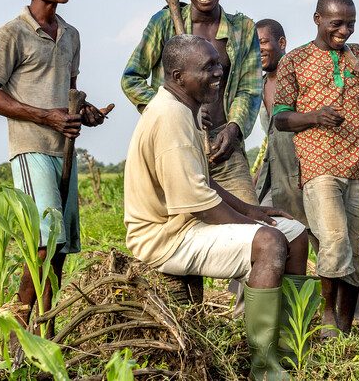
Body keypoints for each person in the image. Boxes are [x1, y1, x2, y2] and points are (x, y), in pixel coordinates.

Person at [124, 35, 307, 381]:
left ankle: (288, 344)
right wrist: (257, 229)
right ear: (178, 76)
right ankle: (264, 366)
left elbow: (204, 182)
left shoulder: (185, 109)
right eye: (207, 67)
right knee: (269, 243)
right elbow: (199, 204)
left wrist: (252, 212)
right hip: (165, 237)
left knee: (295, 235)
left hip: (186, 223)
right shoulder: (170, 119)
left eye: (218, 64)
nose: (219, 72)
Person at [0, 0, 114, 332]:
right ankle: (20, 325)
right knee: (45, 238)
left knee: (59, 249)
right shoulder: (11, 34)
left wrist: (83, 113)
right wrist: (45, 117)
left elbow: (66, 94)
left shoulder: (71, 35)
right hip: (31, 147)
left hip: (64, 150)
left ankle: (46, 329)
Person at [273, 0, 359, 334]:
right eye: (337, 23)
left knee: (357, 247)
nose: (345, 31)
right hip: (318, 164)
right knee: (335, 239)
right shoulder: (294, 60)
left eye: (351, 23)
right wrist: (313, 117)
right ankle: (328, 318)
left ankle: (347, 320)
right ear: (318, 20)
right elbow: (281, 117)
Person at [122, 0, 262, 203]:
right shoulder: (164, 22)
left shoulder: (243, 29)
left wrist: (233, 130)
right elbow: (132, 78)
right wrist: (178, 111)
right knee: (184, 224)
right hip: (175, 141)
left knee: (252, 222)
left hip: (223, 145)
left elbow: (249, 89)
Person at [253, 19, 307, 241]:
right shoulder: (259, 86)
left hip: (303, 175)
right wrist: (256, 174)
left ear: (282, 42)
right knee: (261, 232)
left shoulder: (301, 77)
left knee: (317, 237)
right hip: (273, 179)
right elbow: (270, 138)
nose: (258, 50)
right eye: (253, 45)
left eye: (263, 42)